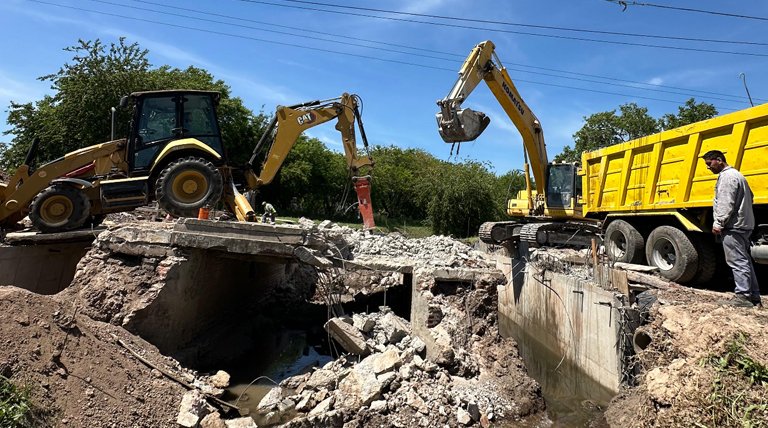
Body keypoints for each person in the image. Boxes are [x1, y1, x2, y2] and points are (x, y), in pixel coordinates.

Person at [702, 150, 761, 307]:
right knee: (745, 260)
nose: (708, 168)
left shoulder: (727, 177)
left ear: (719, 160)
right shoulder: (738, 175)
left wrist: (719, 222)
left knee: (737, 261)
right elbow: (751, 197)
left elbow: (725, 202)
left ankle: (743, 296)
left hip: (733, 226)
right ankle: (754, 296)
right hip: (744, 224)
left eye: (709, 163)